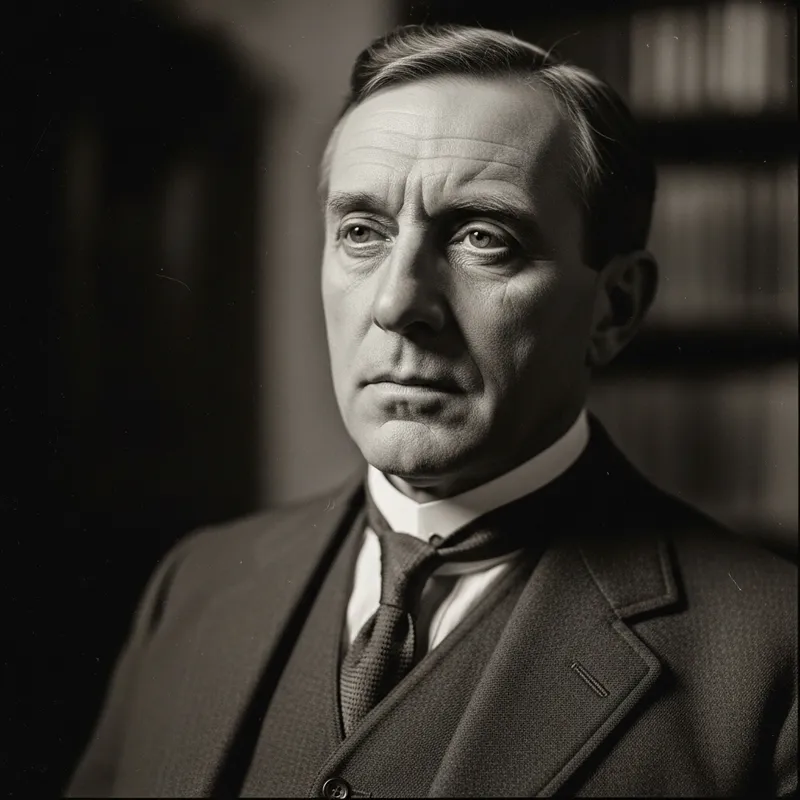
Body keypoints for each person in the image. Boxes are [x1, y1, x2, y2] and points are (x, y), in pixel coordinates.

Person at [66, 24, 797, 798]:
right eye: (361, 232)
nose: (396, 302)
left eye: (484, 237)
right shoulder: (194, 586)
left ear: (613, 309)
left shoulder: (771, 655)